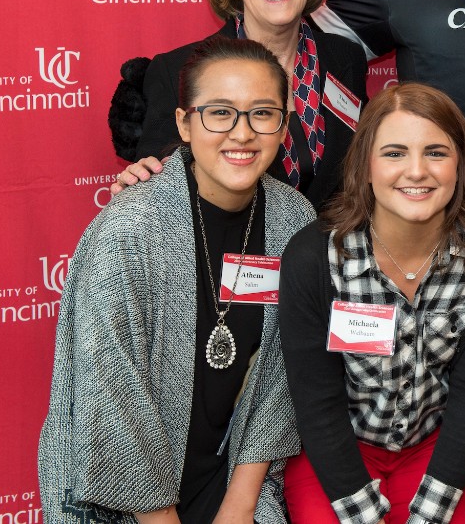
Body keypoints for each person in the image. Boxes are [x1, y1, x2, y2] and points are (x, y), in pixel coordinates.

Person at [39, 36, 316, 523]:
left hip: (233, 476)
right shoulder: (130, 230)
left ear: (283, 125)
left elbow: (282, 370)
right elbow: (112, 393)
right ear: (185, 124)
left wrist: (241, 505)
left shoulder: (293, 219)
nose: (242, 133)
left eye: (262, 113)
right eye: (219, 113)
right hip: (119, 496)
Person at [278, 83, 465, 524]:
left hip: (443, 449)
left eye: (436, 152)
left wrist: (429, 514)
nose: (416, 171)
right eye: (394, 153)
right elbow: (316, 401)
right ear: (366, 166)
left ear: (461, 165)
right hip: (336, 449)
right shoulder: (312, 256)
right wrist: (361, 513)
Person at [115, 0, 368, 211]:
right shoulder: (176, 71)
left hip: (328, 254)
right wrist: (141, 179)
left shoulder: (346, 58)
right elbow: (159, 187)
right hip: (229, 255)